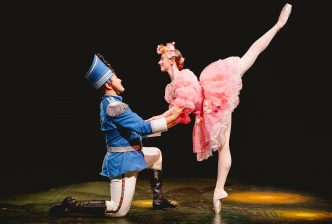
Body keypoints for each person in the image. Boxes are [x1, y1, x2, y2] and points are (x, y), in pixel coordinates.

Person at [153, 3, 292, 213]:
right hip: (208, 108)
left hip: (213, 98)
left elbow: (175, 114)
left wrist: (149, 125)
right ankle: (218, 190)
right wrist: (153, 123)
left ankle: (277, 26)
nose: (159, 62)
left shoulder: (183, 79)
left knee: (247, 58)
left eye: (161, 58)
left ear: (171, 59)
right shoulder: (175, 85)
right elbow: (175, 113)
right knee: (224, 148)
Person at [49, 53, 182, 217]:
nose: (121, 80)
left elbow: (136, 129)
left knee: (156, 154)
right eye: (117, 78)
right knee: (118, 210)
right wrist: (173, 117)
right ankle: (72, 206)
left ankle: (159, 199)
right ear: (108, 83)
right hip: (124, 161)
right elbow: (142, 127)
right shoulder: (114, 107)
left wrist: (169, 120)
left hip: (130, 154)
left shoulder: (114, 104)